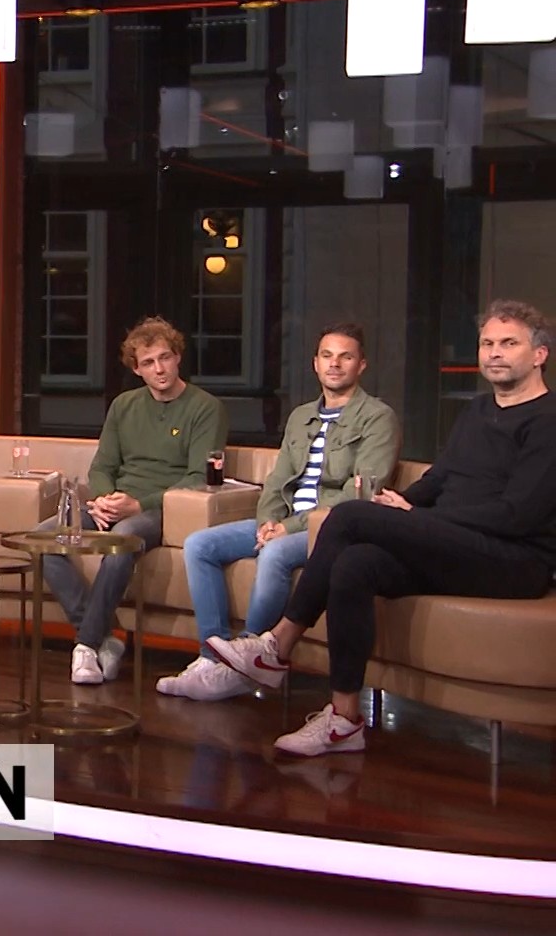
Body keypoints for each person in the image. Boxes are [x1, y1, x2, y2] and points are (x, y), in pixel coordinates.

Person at [213, 300, 556, 756]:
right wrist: (400, 503)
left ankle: (277, 644)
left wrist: (416, 518)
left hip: (514, 559)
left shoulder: (548, 421)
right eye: (487, 343)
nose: (494, 352)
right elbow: (440, 479)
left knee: (350, 515)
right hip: (457, 543)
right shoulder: (477, 411)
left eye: (508, 343)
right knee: (355, 565)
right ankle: (344, 719)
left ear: (539, 354)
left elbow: (517, 515)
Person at [160, 324, 398, 701]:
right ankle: (212, 658)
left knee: (274, 553)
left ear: (362, 365)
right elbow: (277, 480)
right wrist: (269, 520)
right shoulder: (301, 417)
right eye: (327, 356)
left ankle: (248, 661)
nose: (335, 364)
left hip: (329, 528)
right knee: (199, 545)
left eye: (345, 357)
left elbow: (360, 493)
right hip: (284, 522)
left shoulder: (378, 417)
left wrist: (288, 527)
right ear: (315, 363)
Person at [38, 318, 228, 684]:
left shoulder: (206, 408)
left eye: (165, 358)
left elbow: (198, 478)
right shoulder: (124, 406)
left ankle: (85, 645)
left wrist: (138, 505)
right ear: (137, 369)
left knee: (123, 537)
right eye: (148, 363)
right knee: (45, 538)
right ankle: (103, 637)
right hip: (115, 503)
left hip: (164, 507)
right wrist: (102, 499)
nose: (159, 369)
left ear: (178, 357)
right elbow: (102, 466)